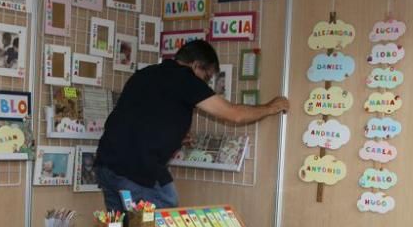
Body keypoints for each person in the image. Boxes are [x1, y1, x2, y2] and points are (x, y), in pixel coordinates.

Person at [95, 39, 289, 212]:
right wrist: (271, 107)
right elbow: (234, 114)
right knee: (163, 216)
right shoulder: (184, 78)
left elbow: (143, 116)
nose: (206, 83)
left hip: (107, 164)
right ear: (196, 66)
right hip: (136, 169)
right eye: (207, 77)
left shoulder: (146, 74)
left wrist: (173, 136)